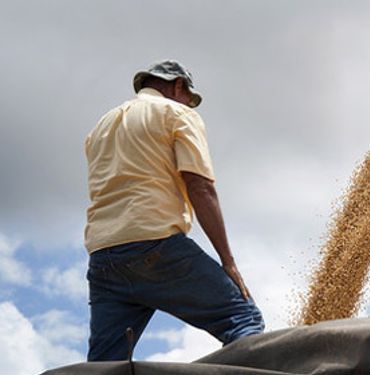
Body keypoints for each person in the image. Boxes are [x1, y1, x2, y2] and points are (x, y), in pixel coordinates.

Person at [84, 60, 264, 361]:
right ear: (177, 86)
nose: (189, 105)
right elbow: (200, 187)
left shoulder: (101, 127)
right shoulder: (175, 113)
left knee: (103, 366)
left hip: (104, 259)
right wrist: (228, 262)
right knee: (243, 318)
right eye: (189, 98)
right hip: (156, 246)